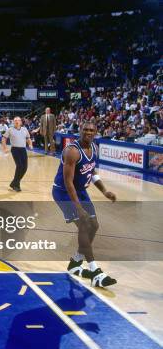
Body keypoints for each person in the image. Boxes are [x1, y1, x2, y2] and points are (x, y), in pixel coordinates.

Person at [52, 121, 117, 287]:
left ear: (95, 132)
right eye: (85, 129)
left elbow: (91, 170)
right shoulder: (72, 151)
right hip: (64, 192)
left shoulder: (94, 148)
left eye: (91, 129)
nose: (88, 132)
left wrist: (104, 191)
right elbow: (68, 182)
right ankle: (95, 271)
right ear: (80, 131)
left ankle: (76, 262)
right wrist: (79, 208)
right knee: (84, 224)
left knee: (94, 225)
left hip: (80, 190)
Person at [2, 117, 33, 192]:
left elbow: (28, 138)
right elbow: (4, 139)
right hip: (15, 149)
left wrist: (30, 144)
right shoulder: (10, 129)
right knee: (19, 166)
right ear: (13, 122)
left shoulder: (25, 129)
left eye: (18, 120)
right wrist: (5, 148)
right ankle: (16, 185)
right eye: (15, 120)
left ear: (21, 122)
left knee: (25, 168)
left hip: (23, 149)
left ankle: (14, 183)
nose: (16, 121)